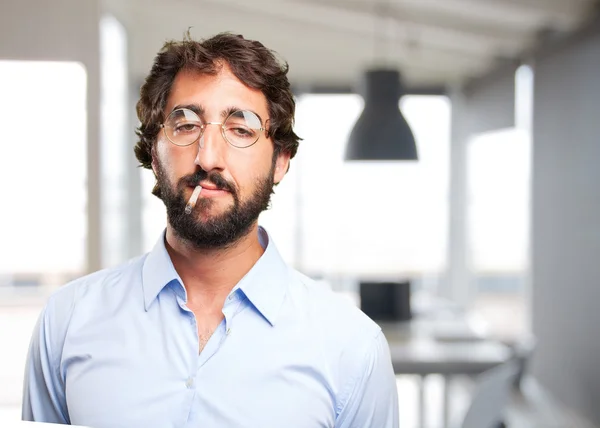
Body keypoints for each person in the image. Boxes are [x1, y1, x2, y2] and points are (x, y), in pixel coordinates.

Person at [22, 32, 399, 427]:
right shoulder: (67, 322)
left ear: (280, 161)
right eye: (185, 125)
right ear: (154, 152)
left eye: (241, 129)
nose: (208, 158)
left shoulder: (352, 348)